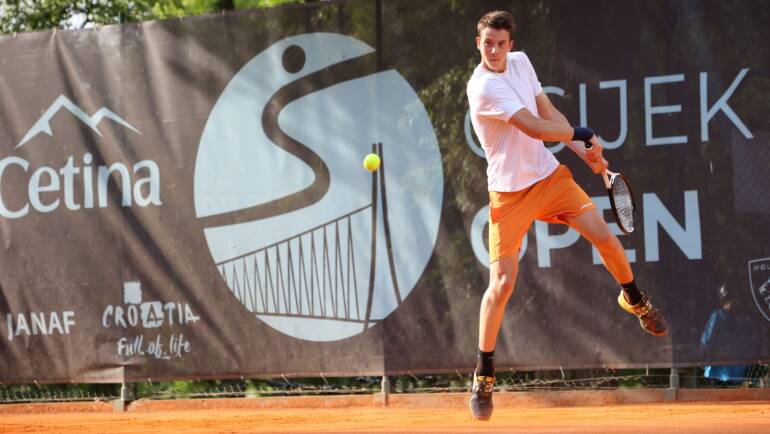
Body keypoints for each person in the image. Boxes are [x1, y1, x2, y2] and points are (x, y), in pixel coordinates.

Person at [466, 11, 668, 421]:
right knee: (501, 285)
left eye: (500, 43)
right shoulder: (482, 86)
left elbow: (550, 114)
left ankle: (634, 298)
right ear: (479, 43)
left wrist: (583, 151)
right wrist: (580, 134)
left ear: (510, 43)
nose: (494, 50)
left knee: (606, 238)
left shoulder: (520, 63)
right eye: (487, 43)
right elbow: (536, 128)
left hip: (549, 178)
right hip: (509, 194)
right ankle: (484, 373)